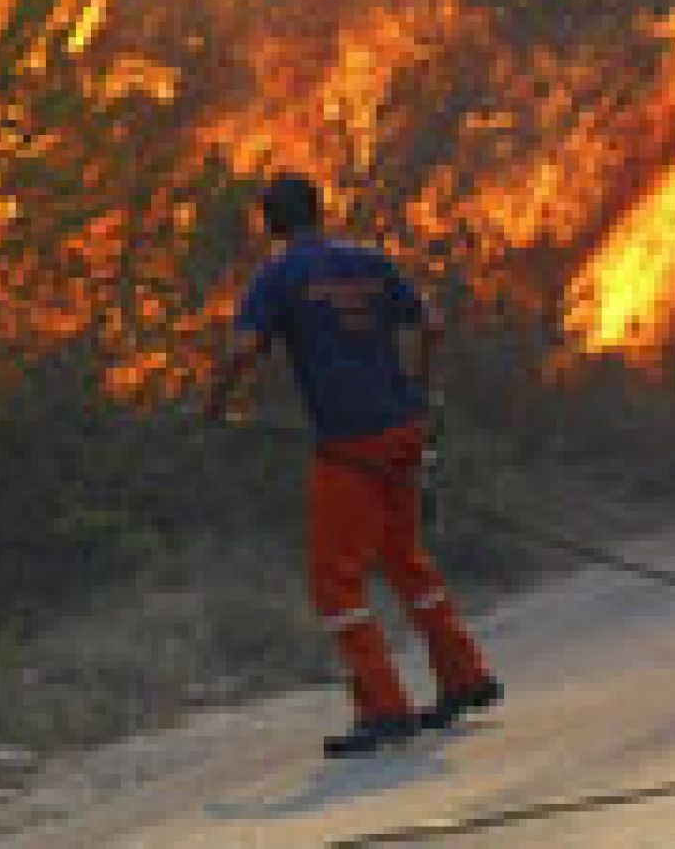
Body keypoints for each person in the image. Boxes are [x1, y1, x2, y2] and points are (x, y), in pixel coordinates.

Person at [204, 173, 502, 757]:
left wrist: (215, 403)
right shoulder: (369, 261)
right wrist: (418, 382)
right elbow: (431, 324)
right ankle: (464, 677)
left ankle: (384, 709)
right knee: (403, 558)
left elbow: (243, 350)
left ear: (271, 224)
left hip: (349, 445)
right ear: (321, 211)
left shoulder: (278, 275)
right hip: (402, 430)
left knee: (335, 580)